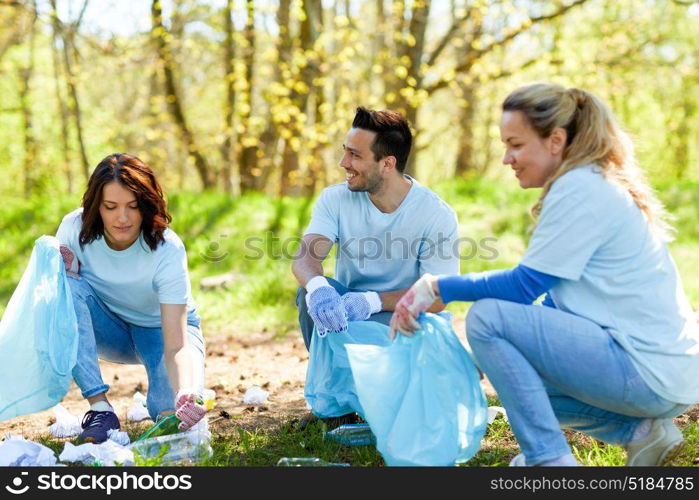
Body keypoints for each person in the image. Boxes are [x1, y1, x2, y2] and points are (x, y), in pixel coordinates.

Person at [391, 82, 699, 467]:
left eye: (516, 145)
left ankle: (548, 462)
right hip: (662, 374)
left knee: (486, 316)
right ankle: (639, 433)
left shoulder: (580, 189)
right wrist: (480, 361)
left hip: (647, 370)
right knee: (517, 380)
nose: (507, 159)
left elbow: (524, 286)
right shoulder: (589, 183)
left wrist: (437, 286)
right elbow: (552, 302)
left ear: (555, 140)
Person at [292, 107, 460, 421]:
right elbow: (306, 257)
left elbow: (438, 296)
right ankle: (337, 408)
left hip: (405, 320)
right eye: (345, 152)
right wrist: (317, 287)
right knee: (308, 295)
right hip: (343, 314)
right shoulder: (335, 199)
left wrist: (371, 301)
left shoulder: (436, 214)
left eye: (354, 155)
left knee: (401, 412)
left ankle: (387, 401)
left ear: (387, 164)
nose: (343, 163)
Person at [56, 153, 207, 443]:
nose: (122, 218)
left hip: (161, 334)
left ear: (147, 206)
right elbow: (65, 303)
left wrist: (186, 388)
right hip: (110, 328)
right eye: (110, 207)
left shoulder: (167, 249)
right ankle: (100, 410)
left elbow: (177, 343)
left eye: (133, 207)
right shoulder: (74, 229)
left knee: (171, 418)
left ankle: (188, 394)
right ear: (96, 206)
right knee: (65, 288)